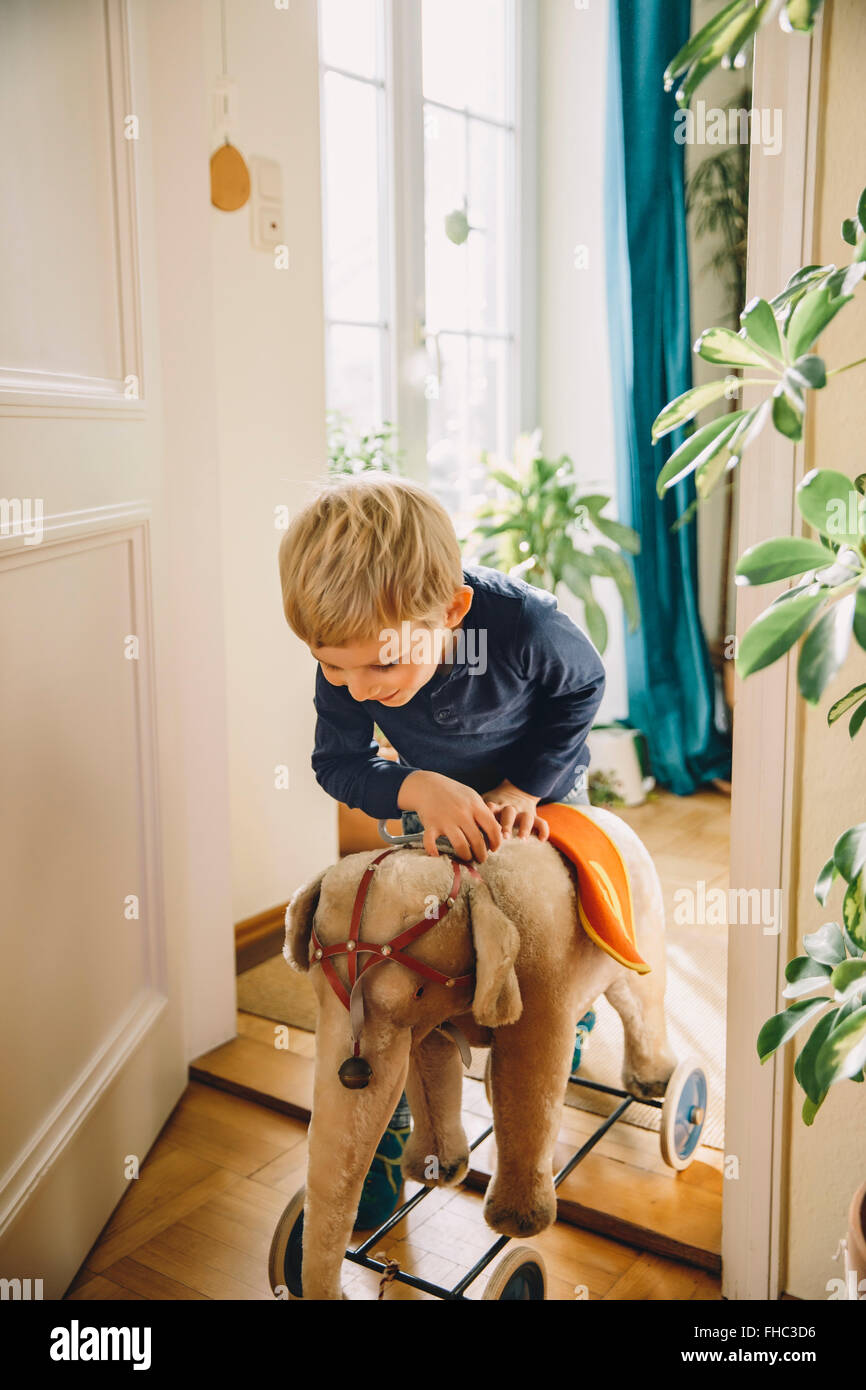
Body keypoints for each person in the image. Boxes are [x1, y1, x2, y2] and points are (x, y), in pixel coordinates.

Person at [278, 472, 606, 1226]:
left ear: (453, 611)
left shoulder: (525, 628)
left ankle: (568, 1025)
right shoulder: (354, 655)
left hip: (539, 791)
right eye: (333, 666)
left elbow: (582, 688)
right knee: (392, 970)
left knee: (557, 929)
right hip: (431, 800)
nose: (356, 689)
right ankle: (390, 1139)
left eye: (382, 666)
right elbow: (339, 761)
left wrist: (526, 788)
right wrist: (415, 786)